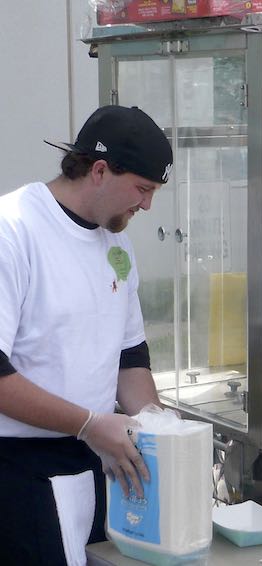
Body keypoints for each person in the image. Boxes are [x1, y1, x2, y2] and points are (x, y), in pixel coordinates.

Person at [0, 105, 173, 565]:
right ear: (99, 170)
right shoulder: (13, 229)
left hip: (100, 466)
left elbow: (130, 360)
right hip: (20, 472)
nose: (147, 205)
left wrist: (164, 437)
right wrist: (89, 424)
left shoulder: (116, 243)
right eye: (142, 189)